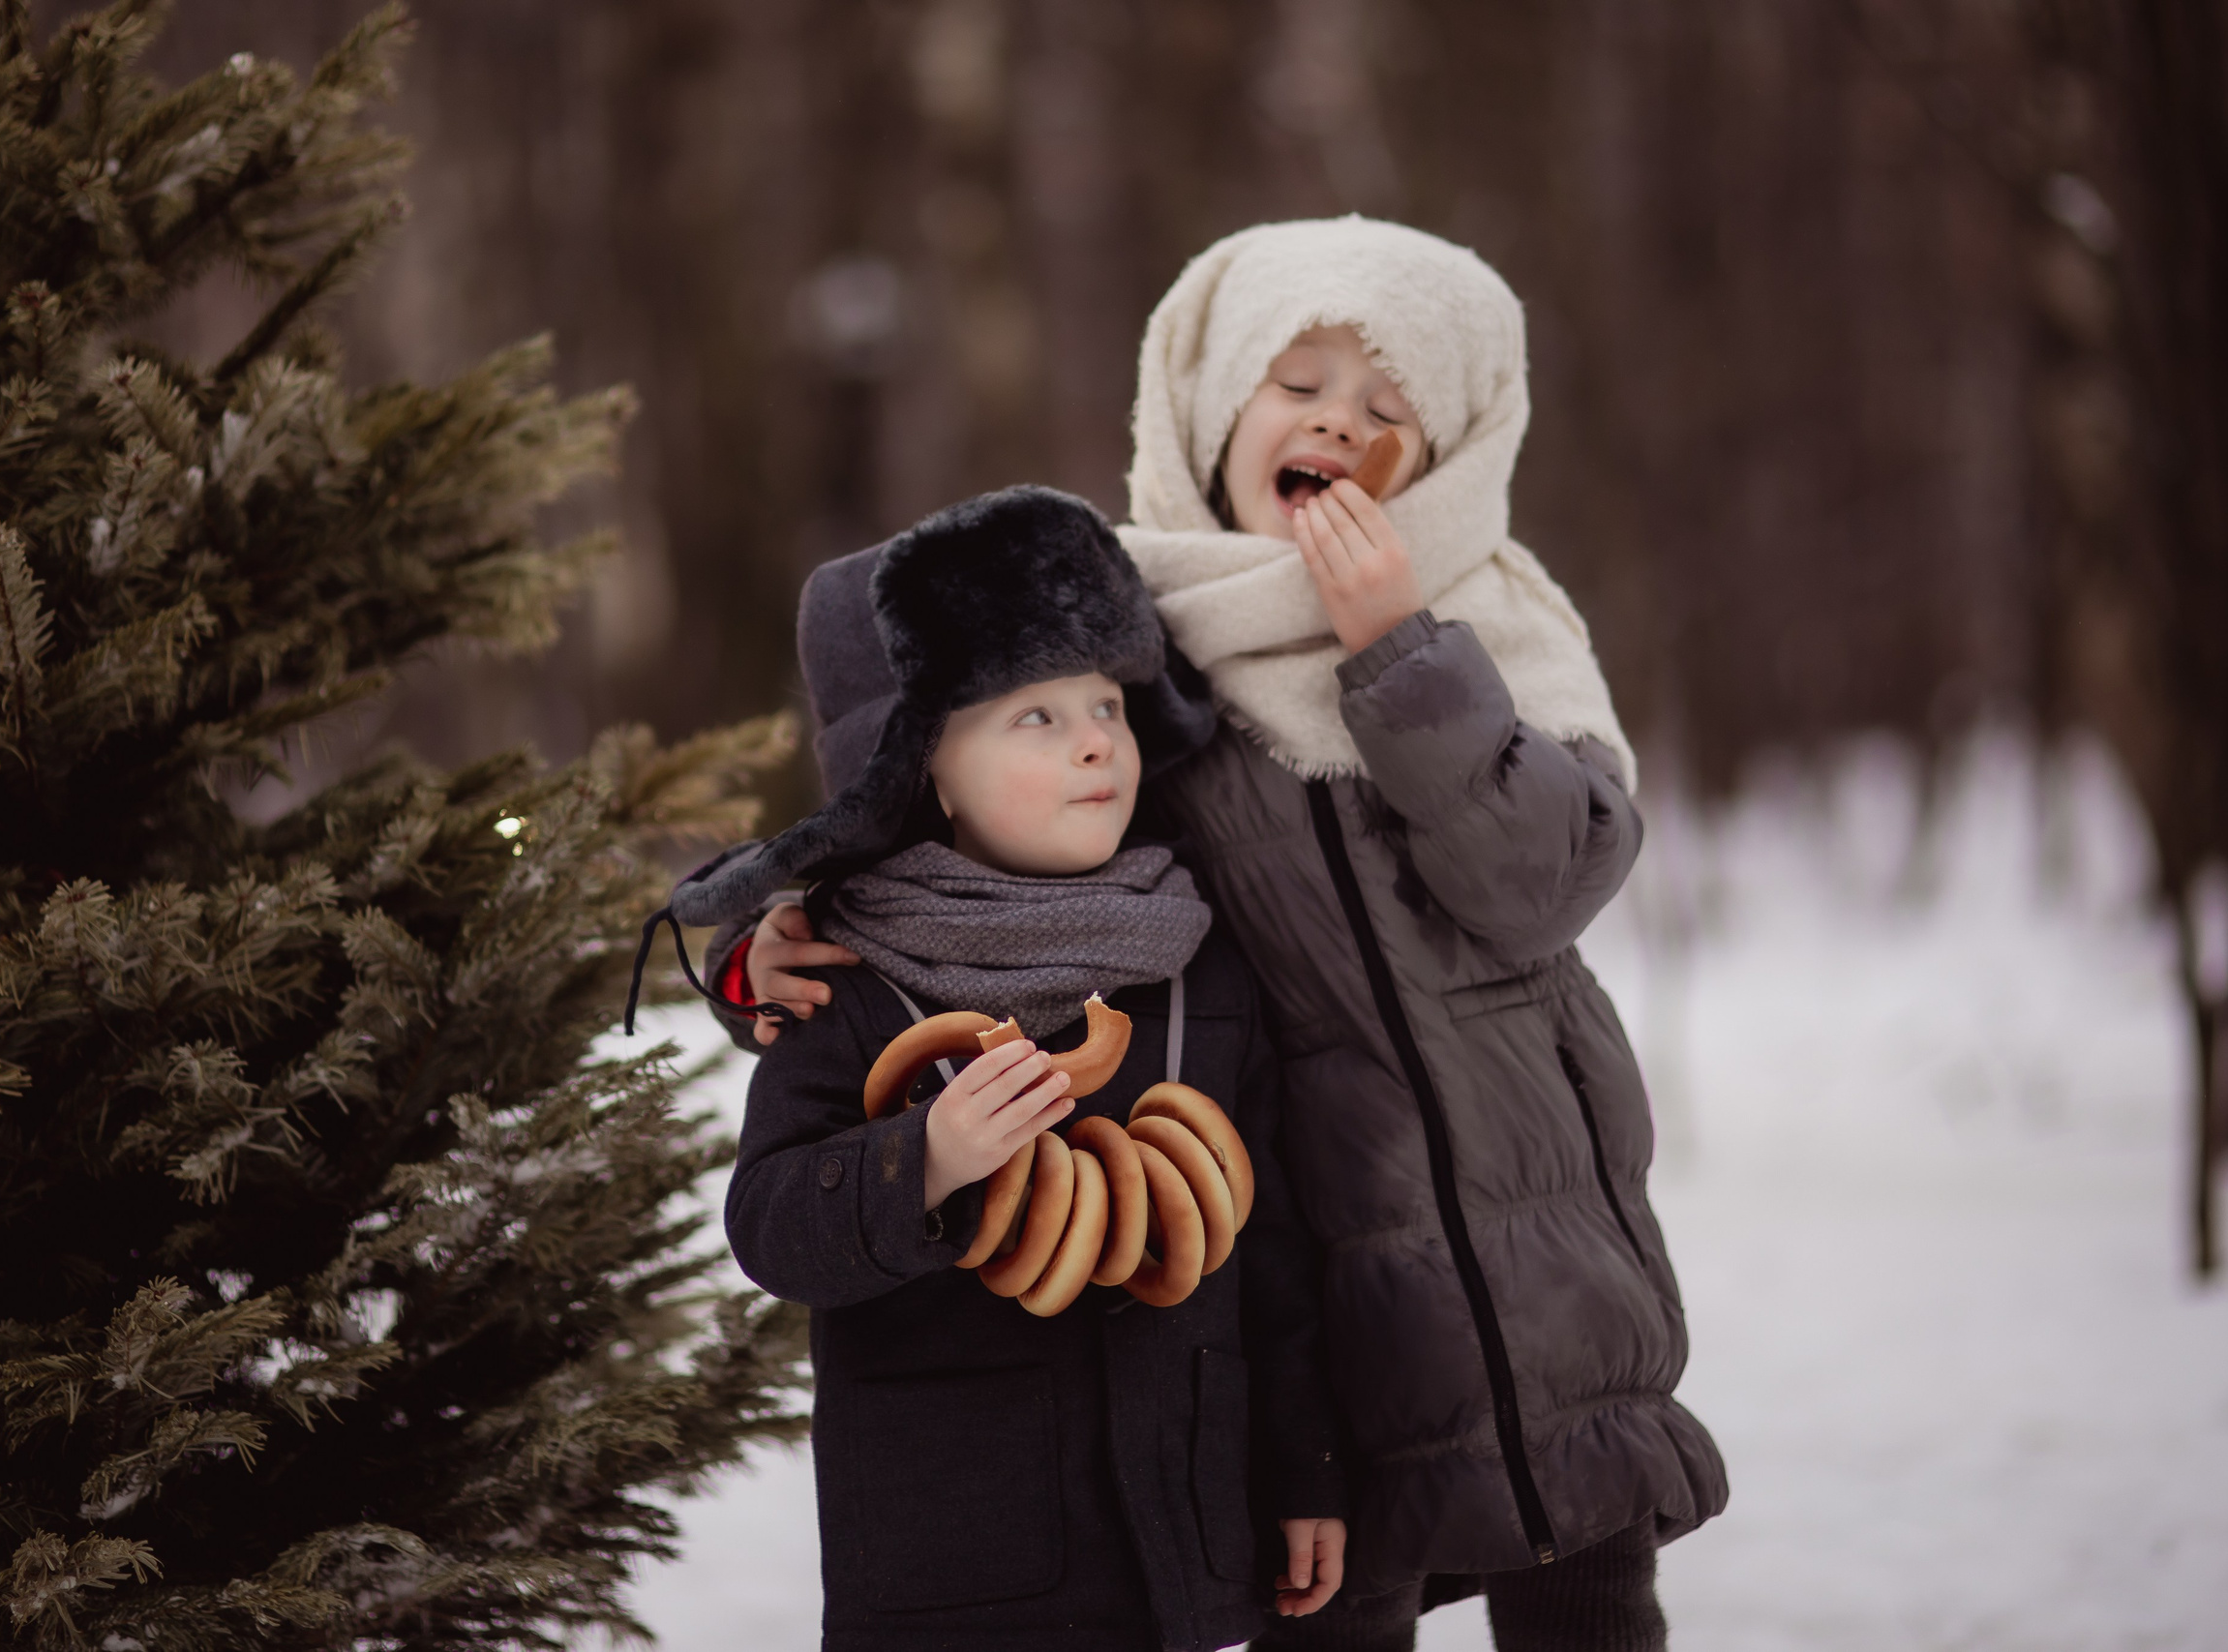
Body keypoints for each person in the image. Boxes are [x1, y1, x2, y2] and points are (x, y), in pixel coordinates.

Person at [715, 218, 1728, 1651]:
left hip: (1534, 1241)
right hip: (1291, 1240)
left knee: (1585, 1581)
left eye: (1390, 408)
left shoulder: (1492, 619)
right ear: (1208, 410)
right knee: (1337, 1596)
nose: (1338, 422)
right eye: (1295, 382)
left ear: (1445, 461)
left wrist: (1398, 647)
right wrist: (772, 945)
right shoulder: (1141, 649)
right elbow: (972, 850)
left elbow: (1544, 881)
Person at [639, 487, 1345, 1652]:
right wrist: (925, 1162)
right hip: (949, 1566)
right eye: (1033, 717)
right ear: (929, 772)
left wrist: (1303, 1464)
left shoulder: (1195, 966)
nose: (1093, 742)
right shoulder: (844, 979)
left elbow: (1270, 1250)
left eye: (1107, 706)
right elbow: (769, 1223)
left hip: (1174, 1547)